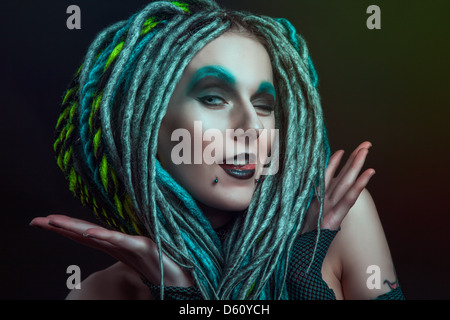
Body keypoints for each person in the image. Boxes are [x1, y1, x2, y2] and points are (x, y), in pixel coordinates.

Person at [30, 0, 404, 300]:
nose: (253, 128)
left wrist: (304, 275)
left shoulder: (338, 220)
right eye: (213, 98)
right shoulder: (101, 292)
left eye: (263, 105)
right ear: (144, 123)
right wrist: (183, 296)